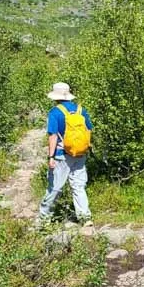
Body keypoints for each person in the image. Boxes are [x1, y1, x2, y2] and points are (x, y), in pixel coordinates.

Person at [37, 82, 93, 226]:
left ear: (55, 97)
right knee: (78, 186)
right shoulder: (81, 110)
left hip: (62, 154)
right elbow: (89, 130)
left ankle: (44, 219)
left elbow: (53, 136)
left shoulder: (55, 112)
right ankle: (85, 218)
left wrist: (51, 157)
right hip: (80, 153)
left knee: (55, 187)